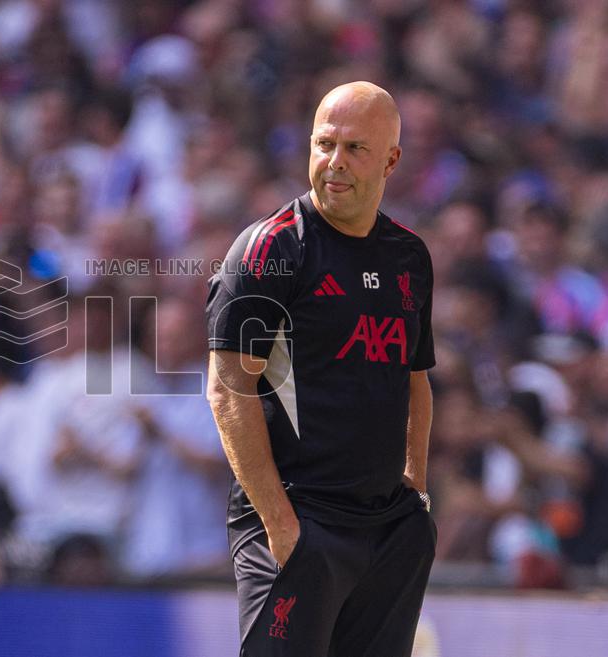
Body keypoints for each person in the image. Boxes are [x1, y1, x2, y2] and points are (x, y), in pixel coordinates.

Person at [206, 81, 437, 657]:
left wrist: (417, 493)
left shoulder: (409, 256)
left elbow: (415, 378)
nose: (334, 163)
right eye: (324, 144)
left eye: (355, 149)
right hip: (298, 522)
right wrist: (281, 528)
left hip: (387, 531)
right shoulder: (270, 250)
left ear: (391, 160)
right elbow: (228, 389)